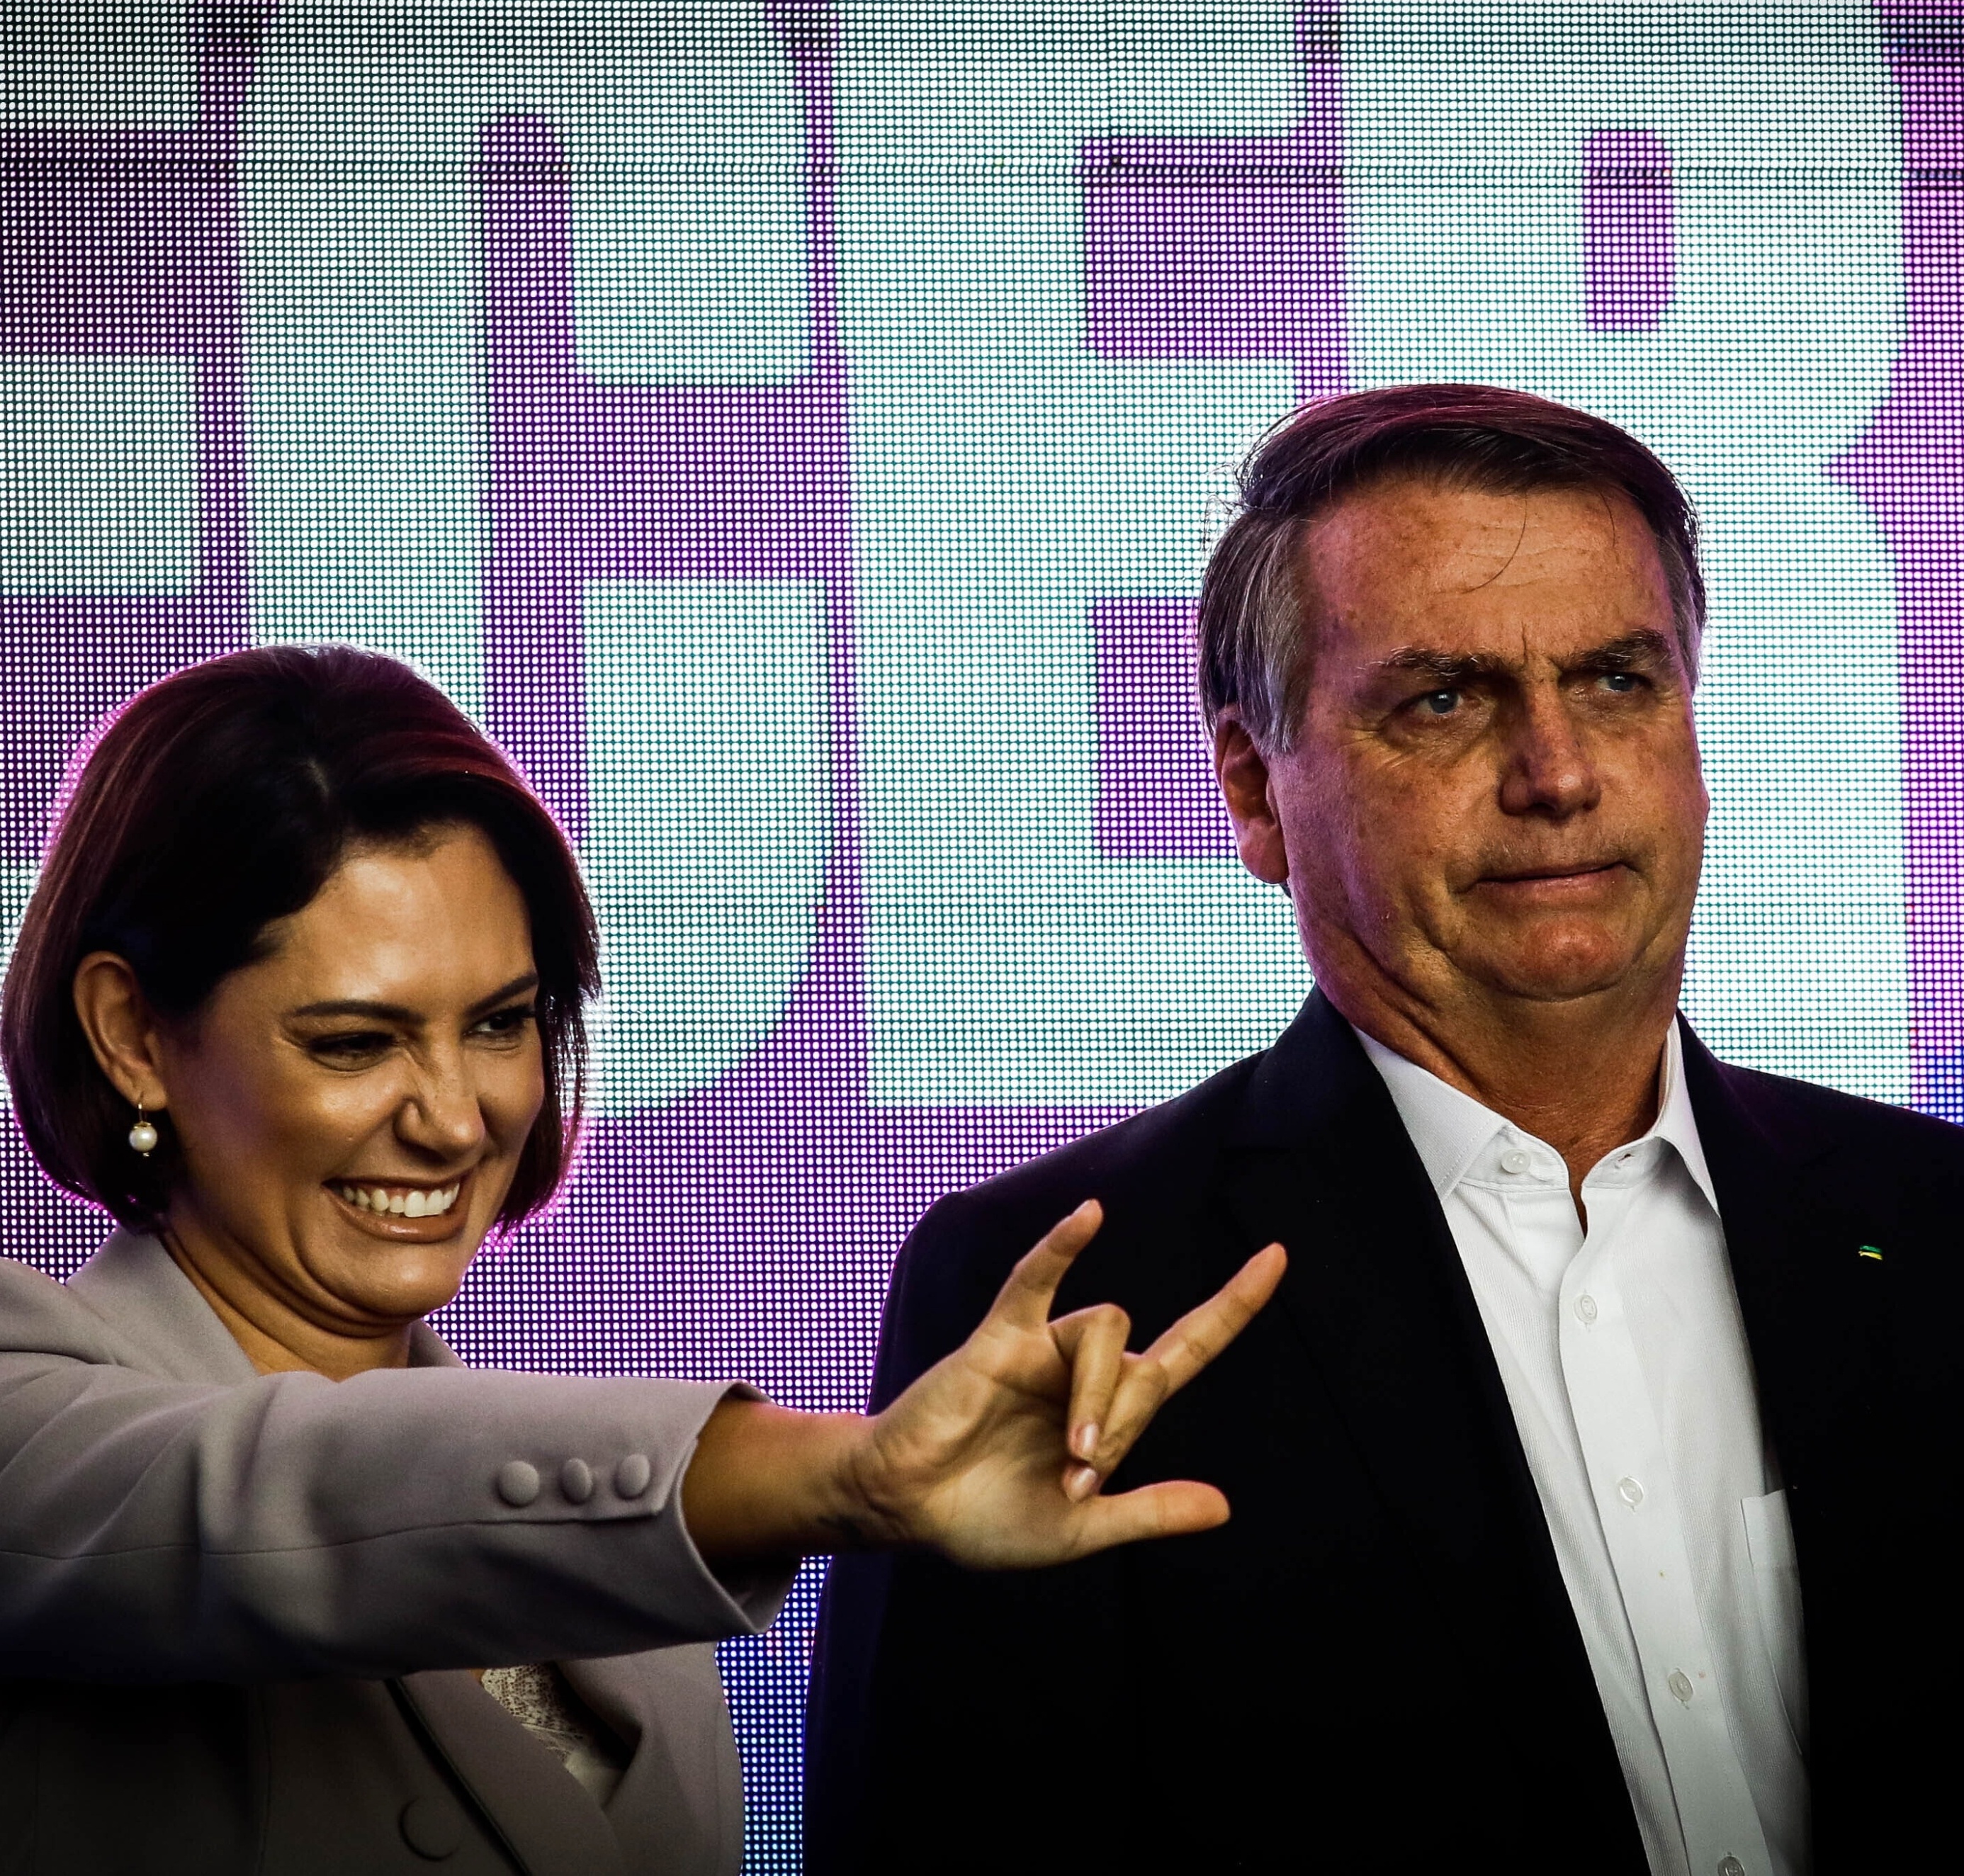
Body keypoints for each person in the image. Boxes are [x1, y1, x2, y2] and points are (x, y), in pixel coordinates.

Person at [806, 383, 1964, 1875]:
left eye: (1620, 680)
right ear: (1252, 786)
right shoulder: (1068, 1291)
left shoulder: (1934, 1226)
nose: (1558, 772)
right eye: (1445, 699)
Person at [0, 644, 1284, 1876]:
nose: (457, 1117)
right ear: (132, 1035)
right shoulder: (34, 1424)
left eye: (501, 1024)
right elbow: (290, 1497)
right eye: (353, 1043)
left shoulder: (633, 1579)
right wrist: (838, 1474)